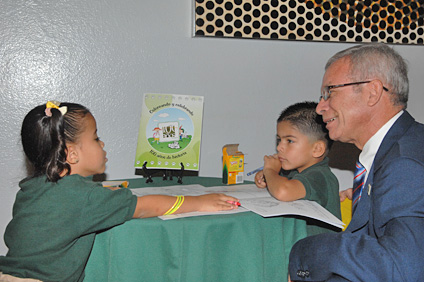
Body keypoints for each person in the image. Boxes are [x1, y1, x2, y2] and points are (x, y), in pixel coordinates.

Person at [0, 101, 240, 282]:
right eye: (96, 138)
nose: (102, 144)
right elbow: (148, 207)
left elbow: (66, 208)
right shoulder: (86, 198)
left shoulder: (31, 189)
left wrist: (103, 195)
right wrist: (199, 202)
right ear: (72, 154)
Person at [288, 43, 424, 282]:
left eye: (330, 92)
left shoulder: (404, 165)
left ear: (372, 92)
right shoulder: (401, 147)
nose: (320, 107)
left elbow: (404, 271)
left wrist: (305, 254)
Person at [255, 101, 341, 235]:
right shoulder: (295, 172)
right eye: (279, 140)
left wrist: (270, 171)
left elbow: (283, 191)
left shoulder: (320, 176)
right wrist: (267, 177)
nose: (279, 148)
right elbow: (282, 184)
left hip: (321, 251)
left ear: (317, 149)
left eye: (289, 141)